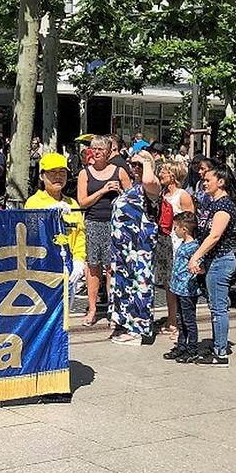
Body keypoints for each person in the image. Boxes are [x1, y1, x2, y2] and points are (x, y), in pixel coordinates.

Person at [188, 164, 236, 365]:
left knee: (218, 308)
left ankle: (220, 353)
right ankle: (218, 344)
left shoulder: (224, 206)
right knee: (215, 306)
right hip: (213, 260)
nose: (204, 183)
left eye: (208, 180)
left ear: (221, 182)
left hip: (221, 261)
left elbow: (215, 235)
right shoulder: (214, 203)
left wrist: (196, 257)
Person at [77, 135, 132, 326]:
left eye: (101, 149)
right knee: (93, 267)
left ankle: (114, 309)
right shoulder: (85, 173)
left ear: (109, 152)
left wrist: (119, 192)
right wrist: (102, 191)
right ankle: (92, 309)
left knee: (112, 267)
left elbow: (131, 199)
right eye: (94, 149)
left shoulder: (119, 171)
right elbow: (82, 202)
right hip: (93, 222)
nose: (97, 152)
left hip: (114, 224)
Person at [109, 150, 161, 345]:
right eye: (133, 164)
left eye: (140, 164)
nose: (136, 168)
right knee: (126, 286)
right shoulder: (134, 187)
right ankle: (126, 324)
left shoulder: (152, 185)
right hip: (124, 250)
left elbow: (148, 180)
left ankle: (138, 331)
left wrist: (146, 161)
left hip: (140, 247)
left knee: (140, 285)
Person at [25, 153, 86, 305]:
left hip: (68, 267)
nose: (58, 177)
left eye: (62, 172)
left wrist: (79, 260)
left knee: (65, 313)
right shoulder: (33, 202)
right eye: (52, 172)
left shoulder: (72, 204)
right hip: (42, 268)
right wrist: (49, 214)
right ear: (42, 176)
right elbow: (31, 234)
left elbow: (80, 235)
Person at [154, 161, 195, 339]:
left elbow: (190, 220)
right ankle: (172, 319)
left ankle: (180, 323)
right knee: (168, 284)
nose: (160, 174)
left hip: (178, 244)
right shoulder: (162, 193)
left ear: (173, 175)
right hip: (165, 243)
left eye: (164, 171)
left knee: (179, 284)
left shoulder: (182, 195)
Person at [162, 212, 202, 362]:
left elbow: (199, 266)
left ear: (184, 229)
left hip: (187, 289)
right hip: (178, 288)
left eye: (176, 228)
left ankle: (192, 349)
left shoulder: (194, 247)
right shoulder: (183, 244)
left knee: (189, 320)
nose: (174, 231)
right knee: (180, 319)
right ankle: (181, 346)